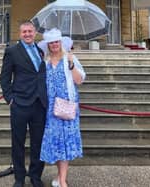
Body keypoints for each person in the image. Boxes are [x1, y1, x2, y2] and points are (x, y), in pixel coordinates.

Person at [0, 21, 47, 187]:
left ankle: (35, 176)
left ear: (35, 33)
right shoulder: (12, 51)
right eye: (24, 31)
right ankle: (19, 178)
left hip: (39, 105)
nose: (27, 34)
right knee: (18, 143)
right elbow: (4, 78)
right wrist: (10, 98)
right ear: (20, 34)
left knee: (38, 143)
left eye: (30, 31)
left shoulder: (41, 51)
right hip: (19, 103)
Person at [38, 28, 86, 187]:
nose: (54, 45)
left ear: (61, 43)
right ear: (48, 45)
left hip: (67, 107)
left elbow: (79, 81)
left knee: (65, 142)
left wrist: (72, 65)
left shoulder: (69, 59)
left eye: (56, 41)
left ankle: (63, 180)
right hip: (51, 109)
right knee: (57, 143)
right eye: (51, 42)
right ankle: (59, 177)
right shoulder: (44, 62)